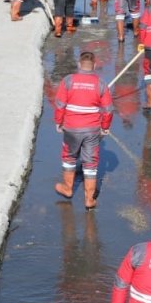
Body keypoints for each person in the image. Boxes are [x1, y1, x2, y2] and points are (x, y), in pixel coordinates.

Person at [53, 51, 113, 208]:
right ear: (94, 66)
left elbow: (59, 104)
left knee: (69, 156)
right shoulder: (100, 83)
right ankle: (89, 199)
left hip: (71, 127)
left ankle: (67, 188)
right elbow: (108, 110)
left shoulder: (68, 81)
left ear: (79, 64)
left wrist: (58, 122)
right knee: (91, 162)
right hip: (92, 130)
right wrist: (105, 127)